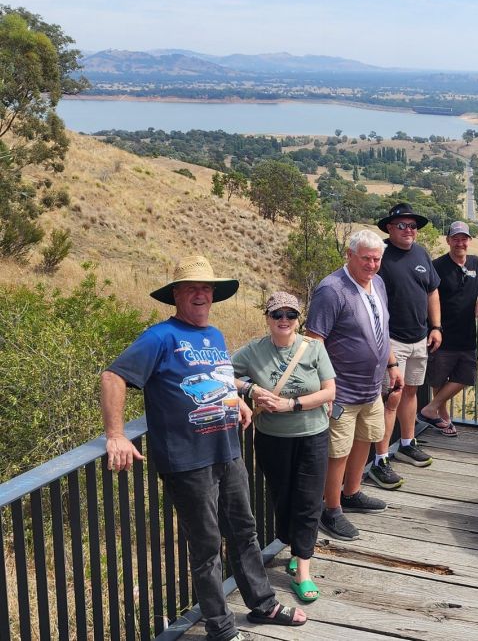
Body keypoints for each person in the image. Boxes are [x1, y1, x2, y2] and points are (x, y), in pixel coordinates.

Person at [100, 255, 306, 641]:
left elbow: (216, 376)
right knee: (207, 545)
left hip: (226, 452)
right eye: (191, 288)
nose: (199, 294)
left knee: (245, 531)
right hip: (186, 461)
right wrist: (115, 434)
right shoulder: (160, 337)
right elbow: (113, 375)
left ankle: (262, 605)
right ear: (176, 294)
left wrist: (237, 399)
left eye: (205, 288)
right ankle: (221, 628)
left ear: (213, 295)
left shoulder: (214, 335)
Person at [231, 292, 336, 603]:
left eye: (291, 315)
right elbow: (222, 371)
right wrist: (249, 391)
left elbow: (330, 391)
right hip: (272, 439)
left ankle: (303, 569)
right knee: (283, 496)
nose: (284, 321)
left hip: (312, 434)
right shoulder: (254, 351)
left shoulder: (314, 348)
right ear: (268, 318)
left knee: (308, 499)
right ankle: (295, 547)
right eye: (278, 315)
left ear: (298, 319)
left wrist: (292, 404)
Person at [305, 230, 401, 539]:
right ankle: (331, 510)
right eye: (366, 259)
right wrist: (323, 388)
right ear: (349, 255)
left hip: (371, 387)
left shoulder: (379, 284)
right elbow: (314, 341)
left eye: (377, 259)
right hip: (341, 391)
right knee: (338, 452)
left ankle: (352, 492)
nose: (372, 265)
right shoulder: (331, 290)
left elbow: (381, 329)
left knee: (365, 440)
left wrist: (392, 364)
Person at [373, 202, 442, 488]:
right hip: (392, 340)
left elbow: (432, 291)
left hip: (419, 337)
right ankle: (380, 459)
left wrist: (436, 326)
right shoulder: (380, 256)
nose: (409, 230)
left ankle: (406, 442)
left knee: (411, 391)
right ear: (389, 227)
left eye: (413, 226)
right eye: (402, 225)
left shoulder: (421, 253)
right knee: (391, 397)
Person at [417, 221, 478, 436]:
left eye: (464, 238)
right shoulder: (437, 266)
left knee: (466, 377)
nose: (460, 243)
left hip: (467, 335)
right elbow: (426, 295)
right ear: (448, 240)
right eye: (456, 238)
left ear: (469, 241)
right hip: (441, 334)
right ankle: (443, 418)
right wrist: (432, 327)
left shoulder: (476, 264)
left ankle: (430, 409)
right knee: (438, 379)